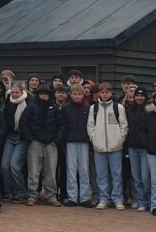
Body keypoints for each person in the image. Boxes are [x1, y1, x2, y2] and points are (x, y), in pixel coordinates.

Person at [21, 84, 64, 206]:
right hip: (35, 142)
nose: (43, 96)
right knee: (34, 171)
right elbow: (23, 123)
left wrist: (56, 140)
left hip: (51, 143)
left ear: (49, 95)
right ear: (38, 94)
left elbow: (61, 125)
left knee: (50, 171)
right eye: (41, 93)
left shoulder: (54, 108)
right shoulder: (31, 107)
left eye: (46, 94)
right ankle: (32, 195)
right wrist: (30, 138)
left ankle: (51, 196)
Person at [87, 82, 128, 210]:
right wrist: (94, 140)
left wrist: (119, 140)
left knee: (116, 174)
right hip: (99, 147)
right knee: (101, 175)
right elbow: (90, 127)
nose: (104, 94)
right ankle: (103, 198)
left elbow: (124, 126)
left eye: (107, 92)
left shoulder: (118, 108)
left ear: (111, 93)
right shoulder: (93, 108)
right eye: (102, 92)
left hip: (116, 147)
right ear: (99, 93)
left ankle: (117, 199)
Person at [62, 83, 92, 207]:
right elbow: (63, 126)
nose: (77, 96)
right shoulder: (66, 108)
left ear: (83, 95)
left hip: (84, 141)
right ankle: (72, 197)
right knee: (71, 169)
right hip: (70, 141)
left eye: (80, 94)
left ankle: (85, 197)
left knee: (84, 170)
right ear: (71, 95)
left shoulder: (88, 108)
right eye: (75, 94)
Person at [1, 83, 28, 203]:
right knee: (4, 166)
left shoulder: (27, 103)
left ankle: (21, 192)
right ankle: (9, 192)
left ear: (22, 92)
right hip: (9, 137)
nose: (15, 94)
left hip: (21, 138)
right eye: (13, 92)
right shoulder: (7, 102)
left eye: (17, 92)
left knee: (14, 166)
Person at [125, 88, 150, 211]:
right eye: (137, 96)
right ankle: (141, 201)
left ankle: (149, 199)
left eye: (142, 96)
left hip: (145, 148)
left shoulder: (150, 110)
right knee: (136, 177)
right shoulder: (130, 110)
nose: (139, 98)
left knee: (145, 176)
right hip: (132, 147)